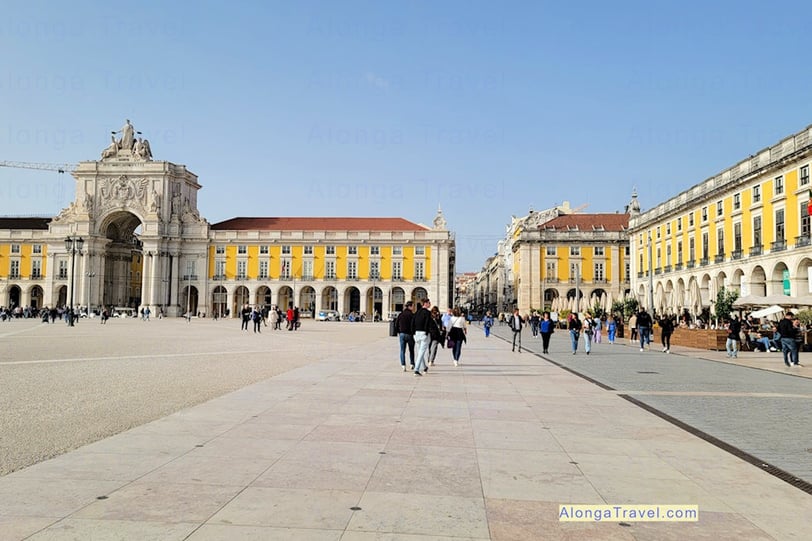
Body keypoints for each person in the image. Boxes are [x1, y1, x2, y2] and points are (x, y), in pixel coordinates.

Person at [411, 298, 432, 376]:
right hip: (423, 333)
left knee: (420, 351)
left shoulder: (417, 312)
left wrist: (413, 333)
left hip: (416, 333)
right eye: (429, 303)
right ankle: (416, 369)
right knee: (421, 352)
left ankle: (424, 367)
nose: (430, 304)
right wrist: (426, 332)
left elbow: (412, 322)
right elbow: (427, 323)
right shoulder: (427, 313)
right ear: (425, 303)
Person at [395, 302, 415, 371]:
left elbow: (396, 324)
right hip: (410, 334)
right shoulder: (412, 315)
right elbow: (414, 325)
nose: (413, 308)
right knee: (411, 350)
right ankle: (412, 363)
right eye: (413, 306)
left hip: (402, 334)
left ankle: (403, 365)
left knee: (402, 350)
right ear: (409, 307)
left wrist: (399, 332)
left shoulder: (401, 314)